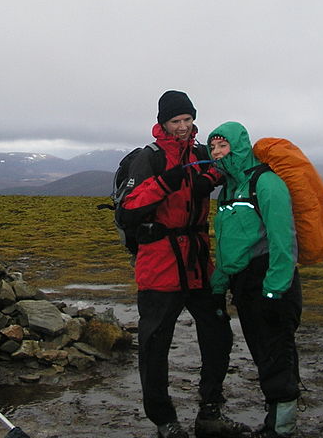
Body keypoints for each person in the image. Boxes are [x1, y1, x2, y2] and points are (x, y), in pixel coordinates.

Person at [117, 90, 248, 438]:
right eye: (176, 121)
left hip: (197, 261)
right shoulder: (151, 158)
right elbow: (128, 209)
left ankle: (210, 411)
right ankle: (164, 421)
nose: (183, 127)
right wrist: (165, 182)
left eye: (188, 120)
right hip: (159, 262)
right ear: (163, 123)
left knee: (218, 333)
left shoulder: (202, 153)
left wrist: (213, 178)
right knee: (155, 343)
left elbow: (227, 168)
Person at [207, 122, 302, 438]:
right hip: (244, 285)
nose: (218, 153)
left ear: (240, 146)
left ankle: (281, 428)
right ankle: (276, 418)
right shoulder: (229, 189)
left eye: (224, 146)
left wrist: (275, 289)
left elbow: (283, 240)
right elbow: (226, 241)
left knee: (276, 353)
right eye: (214, 147)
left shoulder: (266, 183)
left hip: (270, 282)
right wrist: (220, 281)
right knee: (265, 353)